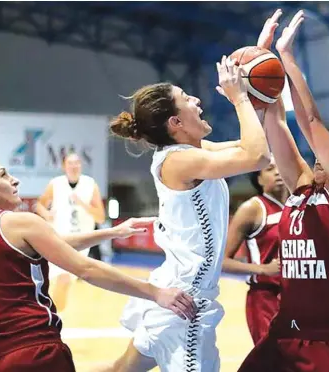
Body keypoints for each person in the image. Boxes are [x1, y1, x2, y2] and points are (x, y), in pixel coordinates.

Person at [93, 52, 272, 372]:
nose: (198, 101)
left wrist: (257, 86)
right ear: (175, 123)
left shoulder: (190, 153)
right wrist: (240, 99)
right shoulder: (180, 161)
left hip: (177, 286)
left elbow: (253, 145)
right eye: (187, 99)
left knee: (122, 370)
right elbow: (256, 157)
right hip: (186, 299)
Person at [231, 10, 329, 372]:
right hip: (284, 333)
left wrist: (288, 58)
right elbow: (275, 120)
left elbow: (311, 123)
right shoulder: (301, 188)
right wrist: (261, 58)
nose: (318, 152)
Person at [0, 157, 196, 372]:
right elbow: (87, 269)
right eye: (4, 175)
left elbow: (54, 244)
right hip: (31, 351)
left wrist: (112, 232)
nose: (14, 179)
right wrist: (156, 293)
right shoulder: (19, 221)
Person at [222, 156, 287, 345]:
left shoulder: (296, 205)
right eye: (269, 169)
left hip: (296, 297)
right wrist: (263, 269)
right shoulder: (253, 208)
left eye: (280, 166)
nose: (277, 172)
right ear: (258, 179)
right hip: (265, 299)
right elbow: (222, 261)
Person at [35, 151, 106, 312]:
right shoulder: (55, 183)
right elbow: (39, 205)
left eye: (77, 163)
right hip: (59, 237)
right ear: (64, 166)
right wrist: (46, 214)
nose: (74, 166)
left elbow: (100, 217)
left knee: (64, 281)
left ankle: (53, 315)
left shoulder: (90, 184)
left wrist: (82, 204)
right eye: (70, 163)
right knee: (60, 279)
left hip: (81, 240)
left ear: (81, 165)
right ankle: (54, 316)